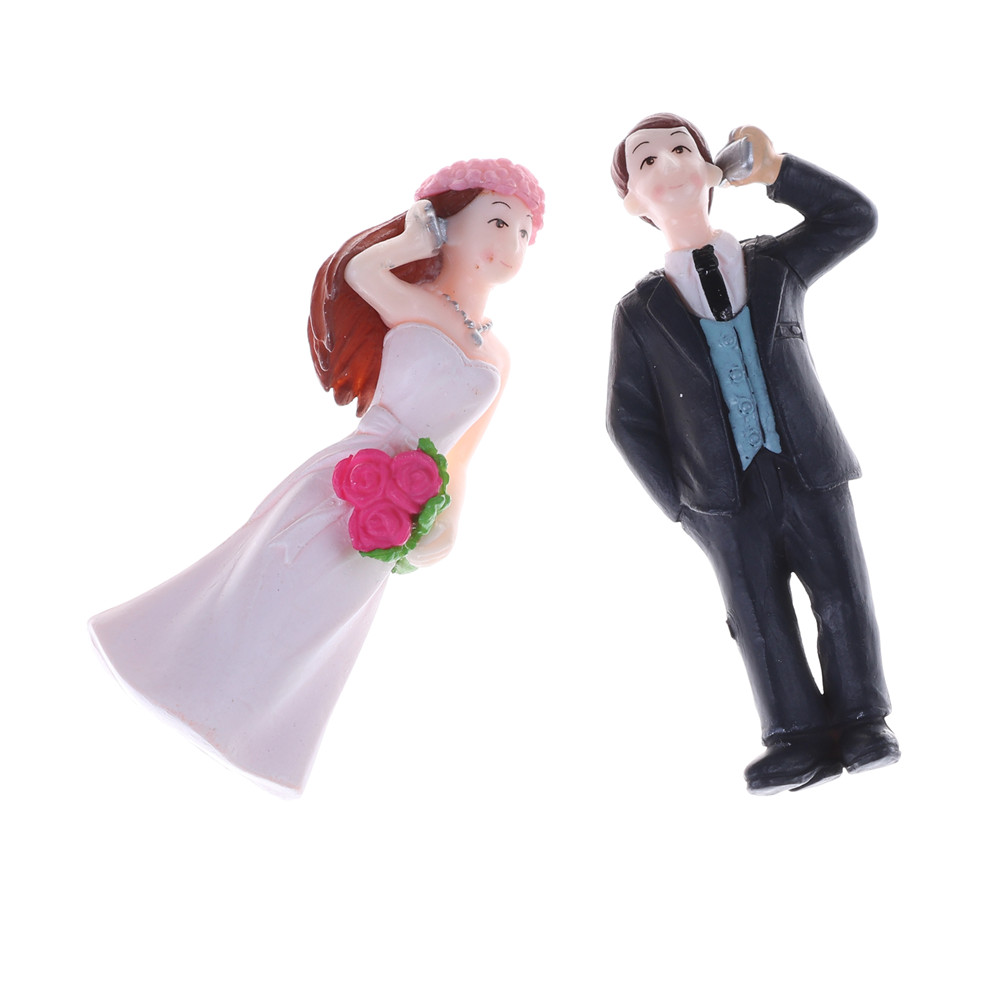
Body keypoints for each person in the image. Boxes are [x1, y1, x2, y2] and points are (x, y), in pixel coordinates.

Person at [90, 158, 545, 796]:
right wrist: (412, 240)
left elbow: (463, 455)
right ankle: (175, 672)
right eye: (498, 222)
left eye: (525, 232)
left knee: (324, 625)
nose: (512, 243)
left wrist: (450, 515)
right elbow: (358, 272)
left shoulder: (498, 355)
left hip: (402, 509)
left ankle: (258, 733)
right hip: (346, 479)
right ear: (448, 223)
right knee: (267, 582)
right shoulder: (411, 303)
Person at [607, 114, 897, 794]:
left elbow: (853, 219)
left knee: (843, 593)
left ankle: (863, 719)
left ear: (713, 169)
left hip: (810, 465)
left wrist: (777, 171)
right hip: (721, 496)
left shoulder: (774, 264)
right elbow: (627, 420)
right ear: (632, 203)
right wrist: (684, 508)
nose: (667, 162)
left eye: (682, 148)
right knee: (758, 615)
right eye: (645, 161)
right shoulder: (639, 312)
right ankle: (794, 734)